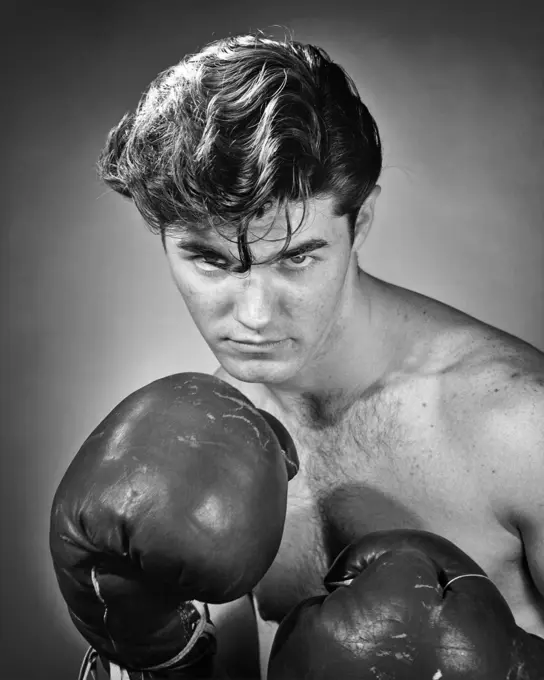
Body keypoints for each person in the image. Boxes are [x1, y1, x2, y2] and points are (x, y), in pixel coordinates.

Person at [59, 33, 544, 678]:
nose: (255, 315)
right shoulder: (199, 446)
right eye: (210, 259)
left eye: (298, 258)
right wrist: (153, 650)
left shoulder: (519, 427)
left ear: (359, 222)